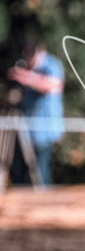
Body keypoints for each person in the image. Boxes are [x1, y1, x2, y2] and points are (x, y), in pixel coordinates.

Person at [8, 40, 64, 186]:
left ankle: (44, 203)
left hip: (44, 130)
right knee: (17, 168)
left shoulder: (52, 65)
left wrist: (25, 77)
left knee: (41, 171)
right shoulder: (27, 66)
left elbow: (52, 86)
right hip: (25, 129)